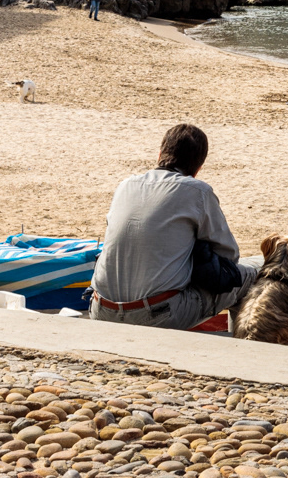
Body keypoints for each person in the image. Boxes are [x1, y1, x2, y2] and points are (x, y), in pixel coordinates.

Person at [89, 123, 257, 330]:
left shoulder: (125, 185)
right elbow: (229, 257)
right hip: (158, 315)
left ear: (159, 154)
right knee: (248, 279)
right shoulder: (197, 191)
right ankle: (243, 348)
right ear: (198, 168)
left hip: (100, 309)